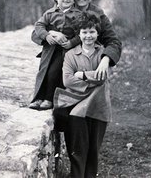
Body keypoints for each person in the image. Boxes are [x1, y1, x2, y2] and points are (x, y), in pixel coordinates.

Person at [53, 11, 112, 178]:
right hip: (77, 107)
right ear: (79, 34)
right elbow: (68, 81)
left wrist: (83, 75)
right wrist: (93, 80)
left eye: (92, 32)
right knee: (78, 149)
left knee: (94, 149)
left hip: (99, 107)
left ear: (98, 33)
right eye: (84, 32)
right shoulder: (71, 54)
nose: (88, 36)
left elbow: (104, 76)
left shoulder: (103, 54)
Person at [29, 0, 82, 110]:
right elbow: (39, 26)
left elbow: (81, 33)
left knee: (54, 72)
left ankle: (49, 99)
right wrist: (47, 35)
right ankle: (38, 98)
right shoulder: (49, 13)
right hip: (49, 50)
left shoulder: (78, 15)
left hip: (65, 51)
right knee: (44, 72)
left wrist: (71, 43)